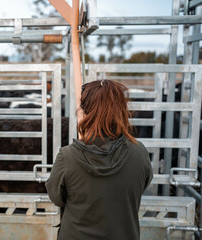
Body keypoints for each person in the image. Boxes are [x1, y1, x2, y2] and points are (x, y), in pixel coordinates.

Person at [45, 79, 153, 240]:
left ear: (84, 111)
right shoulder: (139, 153)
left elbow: (56, 197)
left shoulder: (67, 156)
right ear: (122, 109)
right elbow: (139, 188)